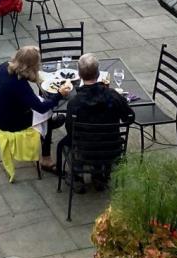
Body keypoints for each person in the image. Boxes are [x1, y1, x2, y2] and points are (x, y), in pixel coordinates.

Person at [55, 53, 135, 189]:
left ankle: (76, 177)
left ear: (79, 75)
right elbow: (129, 118)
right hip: (111, 148)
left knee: (62, 144)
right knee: (98, 137)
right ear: (98, 74)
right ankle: (101, 175)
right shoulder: (113, 96)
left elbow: (70, 130)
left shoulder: (75, 102)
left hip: (85, 149)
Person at [0, 46, 70, 177]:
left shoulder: (4, 66)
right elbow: (41, 108)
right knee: (47, 111)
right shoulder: (19, 85)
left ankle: (48, 126)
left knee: (40, 102)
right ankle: (46, 160)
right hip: (10, 122)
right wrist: (60, 94)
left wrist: (12, 98)